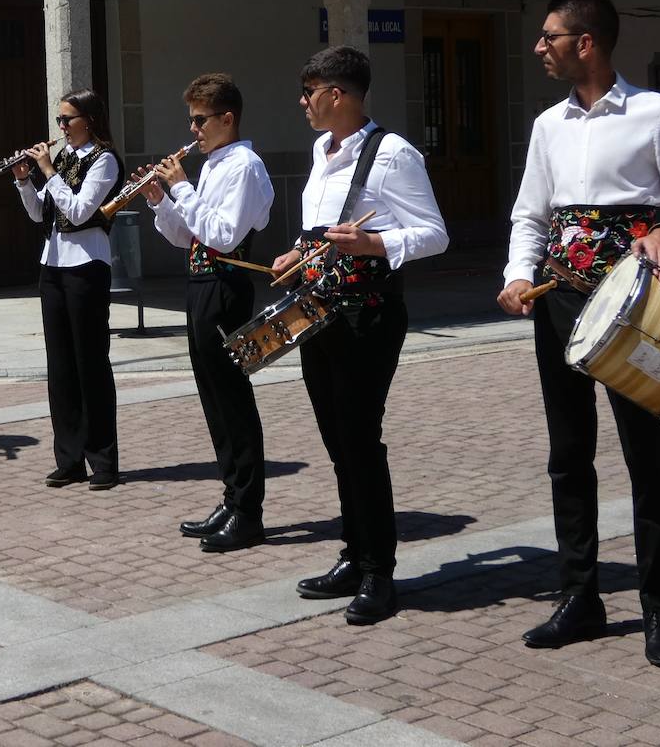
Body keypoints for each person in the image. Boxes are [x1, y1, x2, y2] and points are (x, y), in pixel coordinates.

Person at [498, 0, 660, 669]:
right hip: (560, 298)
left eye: (550, 36)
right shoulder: (547, 125)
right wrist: (514, 272)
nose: (541, 47)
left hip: (634, 305)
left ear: (586, 42)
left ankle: (657, 609)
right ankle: (580, 594)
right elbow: (530, 213)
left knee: (644, 455)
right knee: (568, 453)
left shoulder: (657, 113)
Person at [271, 46, 448, 624]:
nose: (303, 102)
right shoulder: (323, 152)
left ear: (337, 95)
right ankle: (355, 552)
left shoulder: (393, 154)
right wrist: (296, 253)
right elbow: (318, 233)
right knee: (336, 439)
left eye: (309, 92)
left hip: (368, 315)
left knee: (360, 439)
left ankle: (379, 571)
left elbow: (434, 234)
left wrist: (376, 243)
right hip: (319, 311)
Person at [138, 73, 274, 552]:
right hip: (200, 283)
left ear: (226, 118)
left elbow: (224, 236)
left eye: (200, 121)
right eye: (191, 121)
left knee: (232, 398)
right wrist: (161, 200)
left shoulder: (245, 167)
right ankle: (232, 498)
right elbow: (188, 236)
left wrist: (181, 187)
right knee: (213, 399)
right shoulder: (214, 165)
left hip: (227, 287)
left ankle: (248, 511)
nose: (193, 130)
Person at [11, 89, 125, 490]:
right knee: (60, 367)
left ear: (89, 120)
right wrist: (25, 181)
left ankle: (104, 461)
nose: (61, 128)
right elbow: (40, 211)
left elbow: (79, 210)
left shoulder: (105, 160)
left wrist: (47, 170)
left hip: (87, 266)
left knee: (90, 362)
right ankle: (70, 459)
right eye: (58, 120)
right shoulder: (61, 160)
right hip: (53, 266)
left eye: (67, 120)